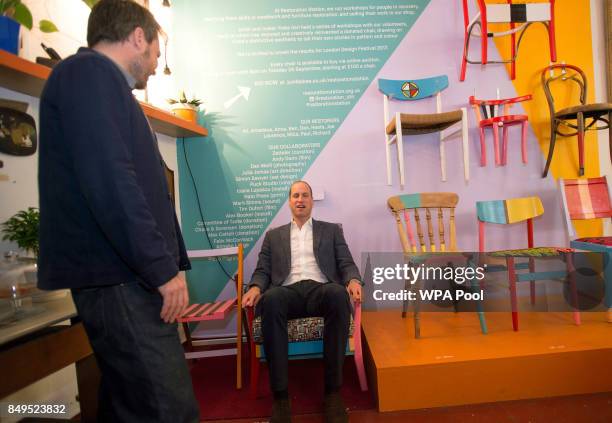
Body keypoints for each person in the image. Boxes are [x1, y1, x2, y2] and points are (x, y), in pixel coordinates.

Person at [37, 1, 199, 422]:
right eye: (155, 54)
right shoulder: (87, 75)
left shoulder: (100, 84)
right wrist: (161, 269)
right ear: (138, 36)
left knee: (128, 405)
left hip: (125, 274)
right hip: (120, 279)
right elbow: (111, 184)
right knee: (168, 409)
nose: (154, 64)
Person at [242, 180, 362, 423]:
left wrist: (353, 280)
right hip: (287, 292)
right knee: (271, 298)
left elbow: (346, 263)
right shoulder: (273, 236)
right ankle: (281, 398)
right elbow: (263, 270)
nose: (300, 199)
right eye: (295, 195)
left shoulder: (331, 231)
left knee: (338, 294)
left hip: (321, 289)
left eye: (305, 195)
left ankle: (333, 394)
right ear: (289, 201)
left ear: (311, 201)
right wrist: (255, 287)